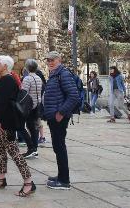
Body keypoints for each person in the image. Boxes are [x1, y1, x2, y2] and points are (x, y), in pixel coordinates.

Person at [0, 55, 35, 197]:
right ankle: (1, 178)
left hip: (5, 123)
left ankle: (28, 182)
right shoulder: (3, 80)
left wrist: (0, 121)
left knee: (14, 152)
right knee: (0, 152)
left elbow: (5, 103)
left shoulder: (8, 81)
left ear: (5, 66)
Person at [42, 51, 80, 190]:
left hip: (58, 117)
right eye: (48, 60)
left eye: (53, 60)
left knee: (60, 147)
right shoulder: (55, 74)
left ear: (59, 60)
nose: (50, 62)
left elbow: (73, 96)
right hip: (53, 116)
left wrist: (61, 113)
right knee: (58, 147)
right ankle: (61, 176)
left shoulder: (63, 74)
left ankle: (64, 180)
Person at [20, 59, 43, 159]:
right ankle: (35, 148)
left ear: (27, 67)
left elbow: (24, 93)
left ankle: (31, 149)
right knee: (34, 127)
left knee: (24, 127)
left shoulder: (27, 78)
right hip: (37, 105)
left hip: (28, 106)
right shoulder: (38, 78)